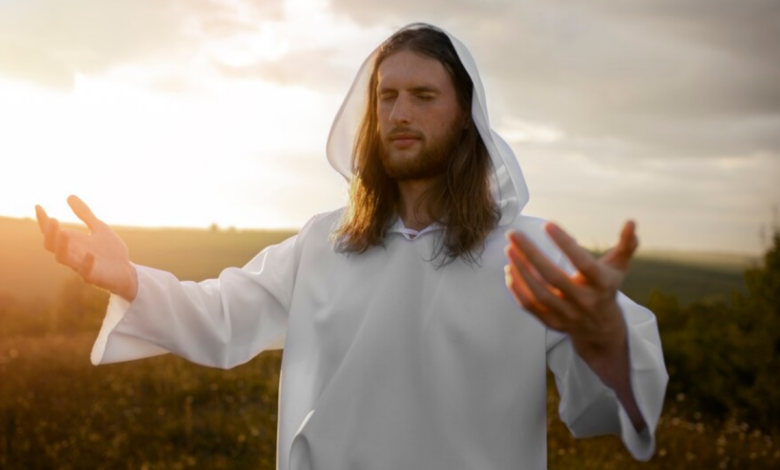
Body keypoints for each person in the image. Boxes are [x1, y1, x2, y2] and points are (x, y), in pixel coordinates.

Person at [36, 23, 667, 470]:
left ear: (467, 119)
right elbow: (223, 314)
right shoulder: (324, 242)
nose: (399, 113)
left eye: (423, 97)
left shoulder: (528, 253)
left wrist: (605, 337)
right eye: (387, 96)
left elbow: (615, 409)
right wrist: (130, 280)